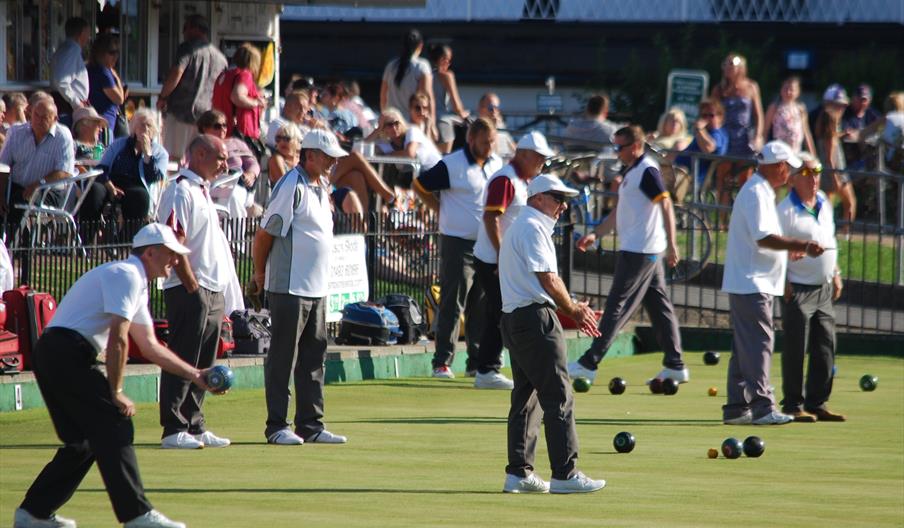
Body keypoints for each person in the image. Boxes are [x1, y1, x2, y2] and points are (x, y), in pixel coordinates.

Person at [13, 223, 207, 528]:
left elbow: (151, 347)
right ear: (151, 252)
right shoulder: (128, 275)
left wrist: (196, 374)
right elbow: (119, 338)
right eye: (170, 254)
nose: (175, 261)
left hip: (55, 352)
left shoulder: (136, 282)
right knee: (114, 424)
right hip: (65, 352)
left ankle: (34, 513)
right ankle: (137, 515)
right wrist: (115, 392)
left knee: (82, 442)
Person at [498, 172, 605, 495]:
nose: (562, 207)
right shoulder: (531, 226)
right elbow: (548, 278)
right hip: (534, 319)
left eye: (564, 201)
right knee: (558, 394)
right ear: (538, 198)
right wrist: (573, 308)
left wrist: (570, 305)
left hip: (516, 319)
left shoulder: (525, 225)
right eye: (557, 199)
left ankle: (519, 473)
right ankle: (565, 473)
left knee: (526, 396)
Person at [567, 126, 688, 386]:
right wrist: (596, 235)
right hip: (641, 249)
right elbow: (618, 212)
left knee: (616, 306)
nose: (616, 152)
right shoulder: (632, 171)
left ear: (635, 146)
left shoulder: (646, 170)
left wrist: (673, 245)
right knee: (659, 308)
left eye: (619, 147)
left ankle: (589, 363)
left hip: (641, 251)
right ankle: (675, 364)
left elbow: (665, 202)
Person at [251, 129, 350, 446]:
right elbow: (265, 235)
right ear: (310, 155)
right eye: (328, 156)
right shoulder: (291, 185)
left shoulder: (321, 186)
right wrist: (259, 275)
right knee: (282, 357)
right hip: (289, 288)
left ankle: (310, 424)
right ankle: (277, 425)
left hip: (317, 289)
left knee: (313, 357)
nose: (334, 161)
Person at [721, 140, 825, 426]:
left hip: (752, 281)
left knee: (745, 347)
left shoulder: (760, 190)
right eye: (788, 168)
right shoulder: (757, 192)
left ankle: (736, 408)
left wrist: (788, 249)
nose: (789, 174)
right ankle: (763, 407)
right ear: (777, 166)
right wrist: (801, 244)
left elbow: (763, 239)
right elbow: (763, 237)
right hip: (753, 282)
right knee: (759, 344)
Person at [156, 135, 233, 450]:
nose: (225, 165)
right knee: (183, 357)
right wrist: (192, 286)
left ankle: (195, 423)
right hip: (191, 289)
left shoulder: (202, 191)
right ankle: (173, 427)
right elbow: (174, 242)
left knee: (204, 359)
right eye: (220, 157)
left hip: (211, 289)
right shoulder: (180, 190)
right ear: (200, 154)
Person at [414, 117, 503, 378]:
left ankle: (475, 362)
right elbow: (420, 186)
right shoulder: (451, 164)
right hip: (457, 243)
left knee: (481, 305)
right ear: (471, 139)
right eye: (485, 142)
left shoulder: (497, 164)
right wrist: (438, 209)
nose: (489, 147)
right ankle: (442, 361)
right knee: (453, 302)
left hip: (485, 242)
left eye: (492, 142)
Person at [471, 131, 554, 390]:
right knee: (503, 313)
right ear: (524, 155)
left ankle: (486, 366)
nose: (542, 163)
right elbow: (491, 219)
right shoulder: (506, 179)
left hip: (501, 259)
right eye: (538, 157)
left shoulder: (521, 180)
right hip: (493, 259)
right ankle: (487, 369)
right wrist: (500, 256)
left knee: (497, 312)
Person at [777, 153, 846, 423]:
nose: (815, 178)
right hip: (798, 287)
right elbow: (775, 248)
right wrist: (783, 281)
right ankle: (793, 404)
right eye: (807, 173)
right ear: (794, 179)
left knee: (826, 346)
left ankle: (817, 402)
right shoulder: (784, 211)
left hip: (824, 286)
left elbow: (829, 240)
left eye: (817, 172)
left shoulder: (824, 202)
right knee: (796, 347)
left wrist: (836, 272)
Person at [157, 15, 227, 161]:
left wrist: (163, 97)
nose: (183, 33)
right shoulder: (221, 59)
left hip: (181, 113)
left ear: (195, 29)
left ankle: (176, 184)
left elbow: (177, 72)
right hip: (206, 118)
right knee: (199, 158)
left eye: (185, 28)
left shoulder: (187, 48)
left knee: (174, 159)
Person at [0, 99, 75, 229]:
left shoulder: (63, 136)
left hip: (49, 190)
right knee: (11, 198)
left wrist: (38, 184)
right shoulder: (16, 132)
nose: (39, 120)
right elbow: (3, 166)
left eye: (45, 117)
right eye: (36, 115)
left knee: (20, 200)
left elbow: (64, 172)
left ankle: (14, 245)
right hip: (17, 186)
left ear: (55, 119)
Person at [94, 109, 168, 232]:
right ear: (133, 128)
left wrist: (147, 154)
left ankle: (127, 241)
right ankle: (87, 240)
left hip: (137, 185)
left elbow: (154, 177)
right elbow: (101, 168)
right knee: (95, 190)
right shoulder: (119, 144)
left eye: (149, 125)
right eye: (141, 125)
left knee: (140, 196)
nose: (145, 129)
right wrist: (109, 185)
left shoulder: (160, 153)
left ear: (154, 130)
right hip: (112, 182)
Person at [711, 53, 765, 212]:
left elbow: (758, 114)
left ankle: (742, 215)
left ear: (740, 67)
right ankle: (721, 221)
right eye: (725, 64)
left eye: (732, 64)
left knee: (745, 179)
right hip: (726, 138)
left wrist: (758, 136)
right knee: (724, 179)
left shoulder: (751, 87)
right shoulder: (719, 89)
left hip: (744, 138)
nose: (728, 68)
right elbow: (711, 111)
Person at [195, 110, 261, 218]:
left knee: (232, 196)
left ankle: (236, 234)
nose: (223, 129)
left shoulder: (235, 143)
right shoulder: (197, 147)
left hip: (235, 186)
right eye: (217, 126)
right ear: (204, 128)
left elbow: (253, 163)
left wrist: (251, 174)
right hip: (208, 186)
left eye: (224, 125)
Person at [814, 84, 857, 227]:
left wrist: (842, 134)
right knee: (850, 202)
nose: (842, 109)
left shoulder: (824, 129)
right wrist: (836, 178)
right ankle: (846, 233)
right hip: (836, 172)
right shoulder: (830, 136)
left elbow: (830, 139)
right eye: (838, 106)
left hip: (825, 172)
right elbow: (830, 158)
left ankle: (823, 230)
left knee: (826, 206)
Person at [380, 29, 433, 129]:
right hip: (412, 124)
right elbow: (426, 97)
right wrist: (431, 123)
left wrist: (385, 117)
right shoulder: (422, 66)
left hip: (392, 123)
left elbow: (383, 96)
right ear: (420, 45)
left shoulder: (391, 66)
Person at [674, 98, 729, 193]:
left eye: (711, 115)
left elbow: (709, 148)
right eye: (704, 115)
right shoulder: (705, 132)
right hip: (679, 173)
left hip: (691, 179)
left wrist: (700, 129)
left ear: (720, 117)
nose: (707, 119)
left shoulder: (717, 134)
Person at [215, 43, 266, 141]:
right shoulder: (245, 75)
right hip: (240, 135)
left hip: (222, 131)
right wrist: (257, 102)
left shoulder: (224, 75)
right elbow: (237, 96)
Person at [428, 43, 469, 153]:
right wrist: (464, 114)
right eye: (448, 60)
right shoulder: (447, 76)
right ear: (443, 59)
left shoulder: (425, 75)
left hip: (426, 121)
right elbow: (456, 104)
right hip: (442, 121)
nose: (449, 64)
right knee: (443, 159)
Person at [49, 17, 90, 124]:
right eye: (87, 33)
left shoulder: (66, 48)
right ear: (81, 33)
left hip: (67, 104)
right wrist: (76, 103)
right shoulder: (72, 50)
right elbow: (62, 81)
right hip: (67, 106)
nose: (88, 37)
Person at [86, 33, 126, 137]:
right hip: (103, 127)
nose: (116, 56)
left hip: (95, 123)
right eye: (112, 52)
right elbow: (119, 99)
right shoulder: (103, 72)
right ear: (101, 53)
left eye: (117, 52)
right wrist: (115, 76)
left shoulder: (90, 68)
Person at [764, 76, 815, 154]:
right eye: (785, 89)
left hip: (796, 151)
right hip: (779, 151)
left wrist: (812, 154)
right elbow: (765, 130)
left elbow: (806, 132)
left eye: (791, 89)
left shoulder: (800, 108)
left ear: (798, 92)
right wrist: (763, 150)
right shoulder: (775, 107)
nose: (788, 92)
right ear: (781, 90)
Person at [841, 84, 882, 170]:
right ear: (853, 98)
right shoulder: (844, 113)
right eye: (858, 98)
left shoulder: (872, 114)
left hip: (870, 155)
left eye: (864, 100)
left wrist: (859, 134)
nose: (861, 102)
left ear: (869, 101)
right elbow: (847, 133)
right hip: (849, 158)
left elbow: (881, 130)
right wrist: (866, 133)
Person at [477, 93, 516, 160]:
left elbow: (513, 147)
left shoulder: (501, 126)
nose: (494, 111)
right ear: (480, 109)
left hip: (505, 164)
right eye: (491, 108)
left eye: (497, 108)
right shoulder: (476, 129)